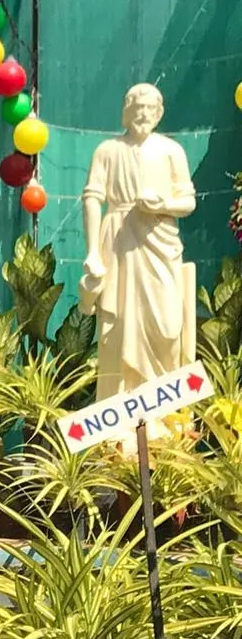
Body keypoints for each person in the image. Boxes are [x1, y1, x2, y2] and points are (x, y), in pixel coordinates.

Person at [79, 83, 197, 415]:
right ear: (126, 111)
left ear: (159, 113)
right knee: (118, 331)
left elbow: (187, 201)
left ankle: (164, 416)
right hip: (118, 241)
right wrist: (92, 251)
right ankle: (121, 418)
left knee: (168, 326)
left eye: (150, 108)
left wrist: (163, 205)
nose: (143, 114)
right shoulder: (107, 150)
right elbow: (92, 198)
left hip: (160, 241)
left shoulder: (172, 150)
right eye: (137, 107)